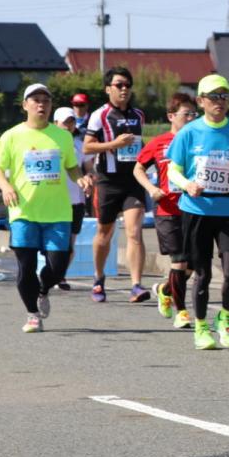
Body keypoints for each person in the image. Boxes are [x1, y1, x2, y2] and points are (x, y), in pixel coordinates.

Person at [0, 85, 92, 332]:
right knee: (25, 267)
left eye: (46, 100)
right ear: (25, 105)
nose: (41, 104)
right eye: (36, 100)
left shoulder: (63, 136)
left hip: (57, 212)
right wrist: (5, 187)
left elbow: (71, 166)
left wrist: (80, 177)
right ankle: (32, 314)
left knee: (58, 266)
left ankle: (44, 290)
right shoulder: (12, 136)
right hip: (23, 212)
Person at [166, 74, 229, 351]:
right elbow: (173, 170)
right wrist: (187, 184)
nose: (220, 101)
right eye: (214, 96)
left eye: (225, 96)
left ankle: (225, 318)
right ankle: (201, 324)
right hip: (197, 210)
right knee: (202, 274)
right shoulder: (188, 133)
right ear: (201, 101)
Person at [84, 67, 149, 303]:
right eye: (119, 85)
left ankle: (136, 285)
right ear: (108, 89)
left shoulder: (139, 115)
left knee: (134, 231)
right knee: (105, 233)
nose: (124, 89)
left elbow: (139, 145)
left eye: (127, 85)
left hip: (133, 180)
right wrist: (113, 143)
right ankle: (99, 278)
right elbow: (87, 147)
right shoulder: (99, 115)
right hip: (108, 182)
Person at [133, 93, 198, 329]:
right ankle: (181, 312)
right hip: (168, 210)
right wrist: (151, 189)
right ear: (171, 116)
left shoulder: (199, 141)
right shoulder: (159, 143)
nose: (191, 118)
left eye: (194, 114)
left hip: (195, 210)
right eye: (186, 114)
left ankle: (164, 289)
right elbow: (138, 168)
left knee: (192, 265)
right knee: (179, 262)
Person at [52, 107, 90, 291]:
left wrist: (90, 176)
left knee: (70, 243)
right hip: (55, 199)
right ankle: (51, 271)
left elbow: (88, 167)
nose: (69, 126)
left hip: (76, 200)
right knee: (56, 242)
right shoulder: (49, 143)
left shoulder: (79, 144)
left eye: (72, 122)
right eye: (65, 122)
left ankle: (60, 275)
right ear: (56, 123)